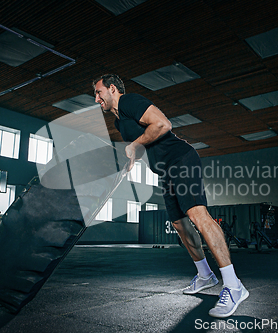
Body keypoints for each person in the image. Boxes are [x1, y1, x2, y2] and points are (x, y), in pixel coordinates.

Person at [93, 74, 249, 318]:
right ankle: (205, 275)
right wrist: (131, 157)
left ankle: (234, 285)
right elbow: (143, 144)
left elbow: (163, 125)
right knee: (180, 225)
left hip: (181, 160)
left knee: (197, 215)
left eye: (99, 92)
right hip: (165, 171)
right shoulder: (119, 122)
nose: (97, 98)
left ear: (112, 89)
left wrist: (134, 146)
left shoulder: (129, 102)